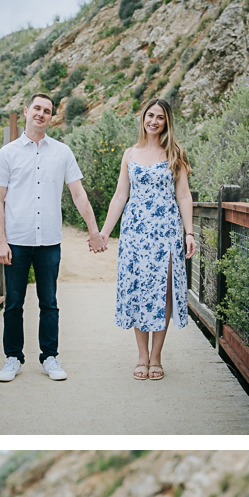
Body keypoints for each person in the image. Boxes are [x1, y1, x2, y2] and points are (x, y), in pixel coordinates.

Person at [0, 93, 106, 383]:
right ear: (26, 111)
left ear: (51, 117)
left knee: (49, 301)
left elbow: (78, 193)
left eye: (47, 111)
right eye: (37, 109)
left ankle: (50, 357)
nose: (41, 114)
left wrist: (94, 231)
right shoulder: (7, 153)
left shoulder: (62, 153)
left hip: (49, 241)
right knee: (14, 303)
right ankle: (13, 358)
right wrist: (1, 242)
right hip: (16, 240)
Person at [98, 98, 196, 381]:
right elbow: (120, 195)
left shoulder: (176, 152)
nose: (154, 121)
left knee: (164, 290)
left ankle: (157, 357)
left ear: (167, 122)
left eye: (160, 117)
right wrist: (105, 232)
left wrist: (189, 232)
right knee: (138, 289)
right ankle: (142, 357)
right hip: (135, 231)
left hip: (166, 230)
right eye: (150, 115)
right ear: (143, 118)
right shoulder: (130, 153)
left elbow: (184, 195)